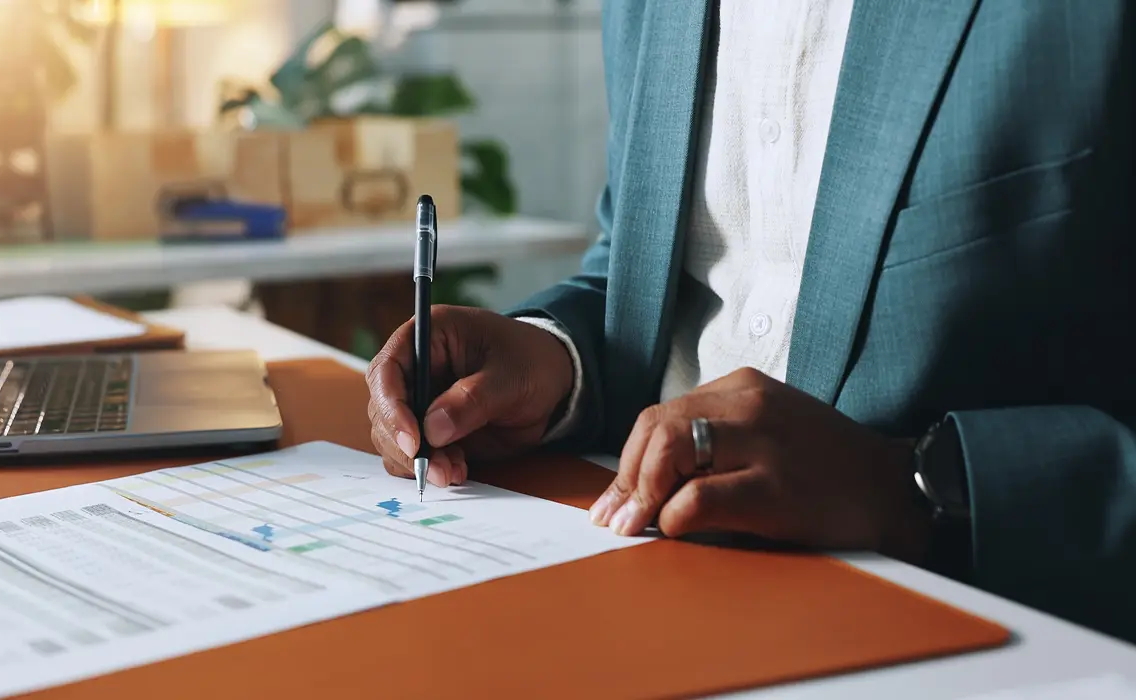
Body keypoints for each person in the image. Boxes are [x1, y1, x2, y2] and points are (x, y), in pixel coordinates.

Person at [366, 0, 1135, 642]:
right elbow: (650, 265)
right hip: (636, 582)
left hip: (978, 625)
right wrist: (556, 359)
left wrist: (905, 487)